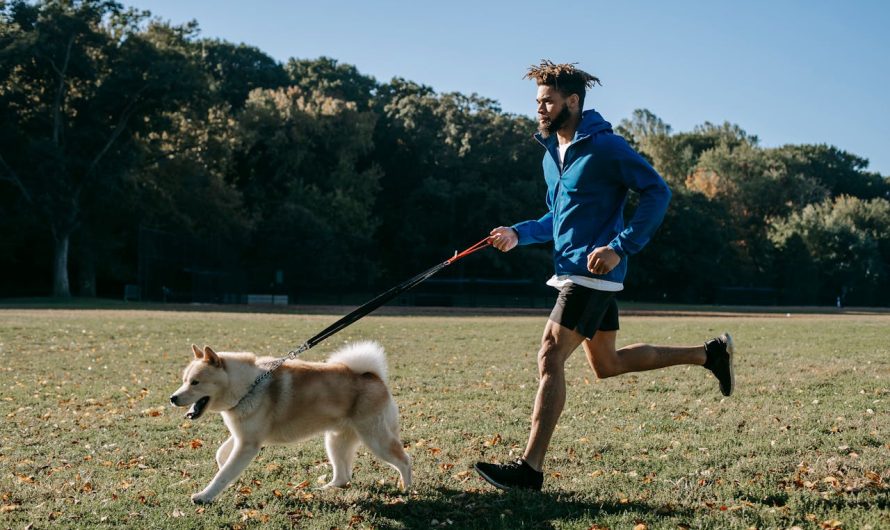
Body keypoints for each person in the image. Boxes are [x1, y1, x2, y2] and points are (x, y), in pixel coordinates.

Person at [474, 60, 735, 491]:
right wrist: (516, 234)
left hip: (590, 273)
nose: (540, 109)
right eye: (538, 102)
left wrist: (621, 246)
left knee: (549, 356)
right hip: (574, 270)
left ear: (572, 102)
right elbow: (556, 219)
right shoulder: (552, 154)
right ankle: (709, 354)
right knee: (607, 364)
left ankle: (529, 469)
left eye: (548, 101)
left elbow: (657, 191)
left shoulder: (606, 147)